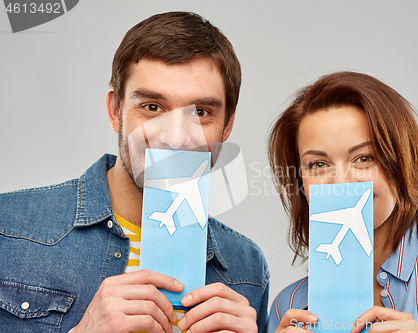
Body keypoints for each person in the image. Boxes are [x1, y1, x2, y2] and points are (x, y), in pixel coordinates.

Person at [0, 12, 268, 333]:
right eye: (152, 107)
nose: (175, 136)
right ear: (116, 111)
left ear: (227, 125)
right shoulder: (7, 230)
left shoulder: (248, 269)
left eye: (200, 112)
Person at [267, 71, 418, 332]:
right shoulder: (287, 306)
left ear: (401, 162)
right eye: (318, 164)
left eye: (364, 158)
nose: (341, 182)